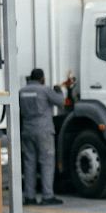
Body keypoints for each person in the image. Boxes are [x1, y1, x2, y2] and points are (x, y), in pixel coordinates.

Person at [17, 68, 64, 205]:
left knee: (29, 164)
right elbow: (60, 102)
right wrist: (59, 91)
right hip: (43, 131)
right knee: (46, 163)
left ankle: (30, 196)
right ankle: (47, 196)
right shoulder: (45, 90)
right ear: (42, 79)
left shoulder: (22, 92)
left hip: (27, 131)